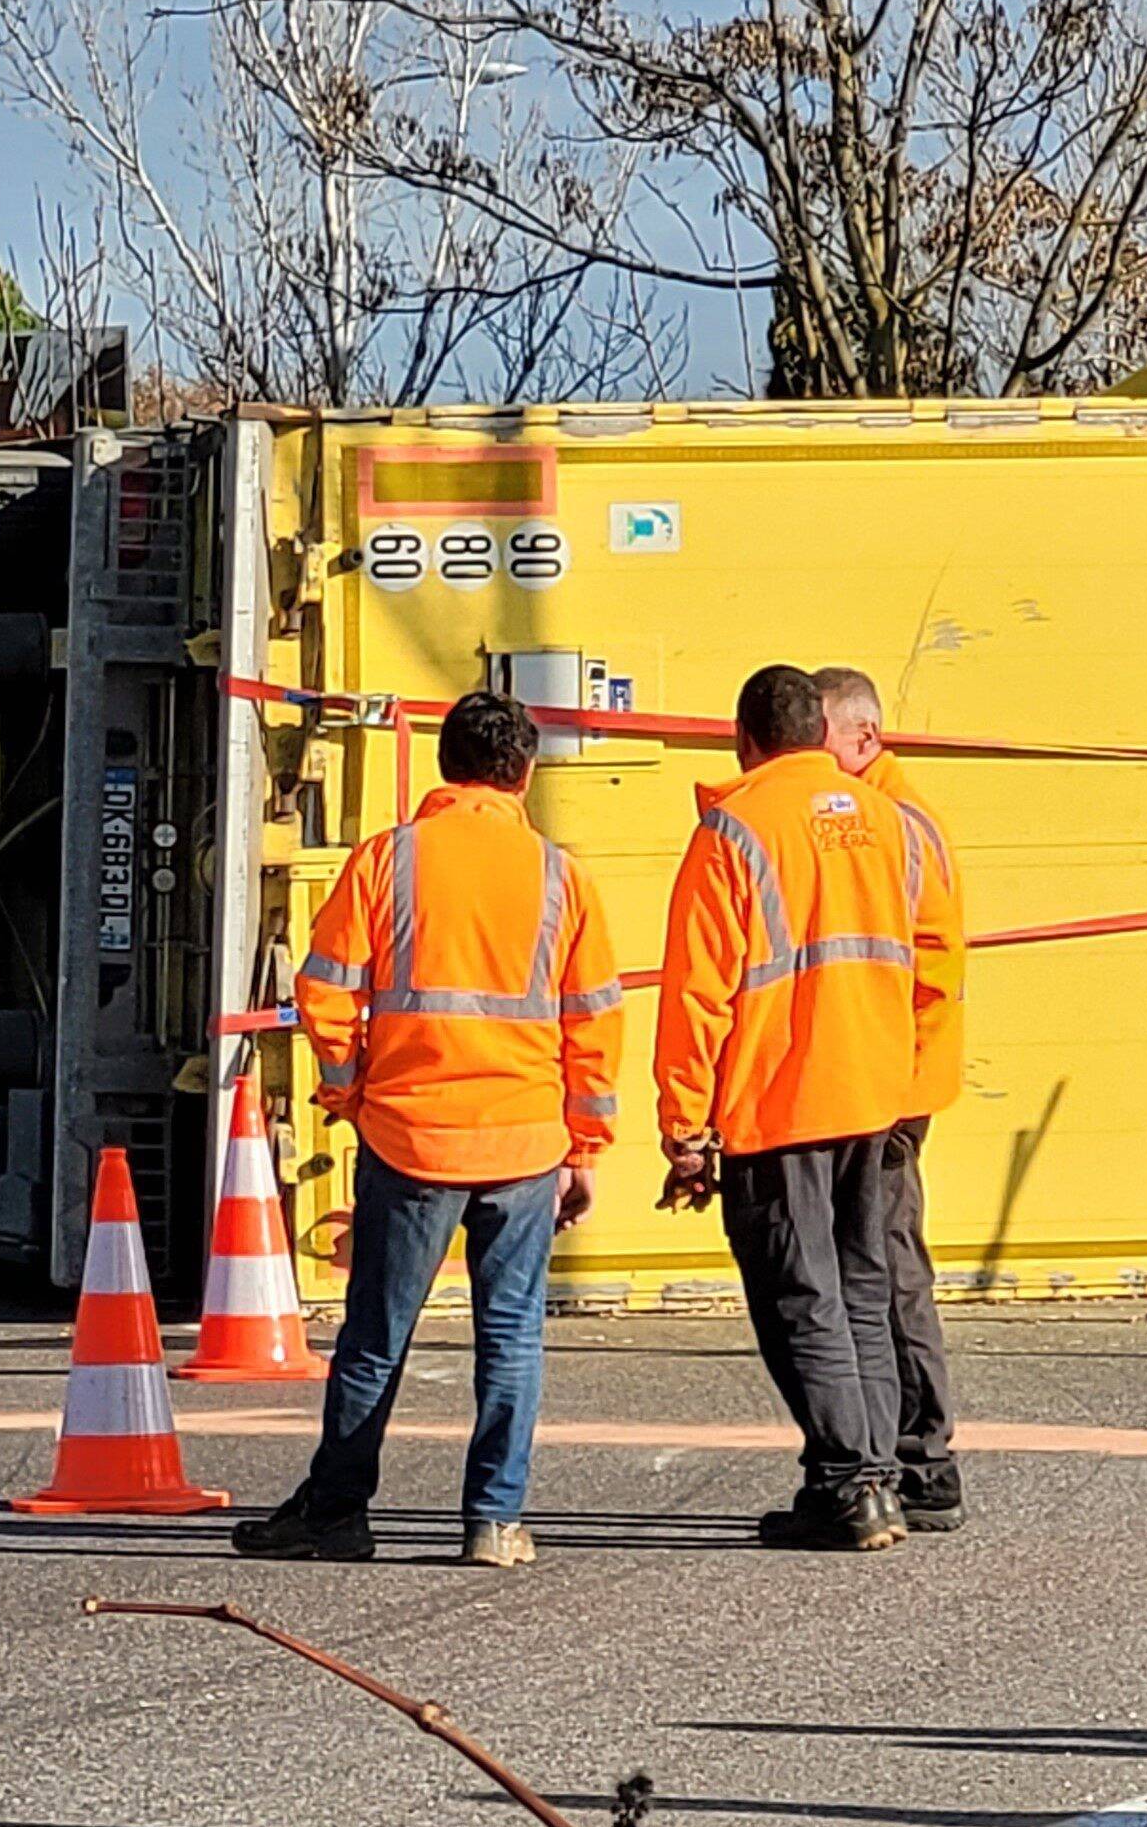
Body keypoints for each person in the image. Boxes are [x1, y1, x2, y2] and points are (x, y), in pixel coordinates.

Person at [239, 692, 626, 1569]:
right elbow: (595, 1022)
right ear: (524, 773)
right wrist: (585, 1146)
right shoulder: (562, 876)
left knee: (377, 1334)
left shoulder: (389, 860)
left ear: (446, 767)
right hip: (526, 1142)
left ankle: (336, 1511)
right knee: (513, 1335)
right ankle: (495, 1519)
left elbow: (327, 987)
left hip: (412, 1134)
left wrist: (348, 1088)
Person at [651, 664, 950, 1552]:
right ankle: (879, 1477)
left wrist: (685, 1125)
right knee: (862, 1287)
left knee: (800, 1296)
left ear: (743, 739)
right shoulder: (889, 822)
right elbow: (928, 956)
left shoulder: (733, 830)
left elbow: (698, 993)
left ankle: (845, 1483)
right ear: (822, 733)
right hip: (873, 1093)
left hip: (779, 1096)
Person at [819, 664, 968, 1530]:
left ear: (865, 737)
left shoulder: (895, 825)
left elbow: (928, 967)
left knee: (889, 1259)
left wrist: (885, 1073)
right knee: (878, 1257)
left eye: (824, 739)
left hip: (894, 1083)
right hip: (885, 1074)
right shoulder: (872, 818)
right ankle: (906, 1449)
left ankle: (922, 1455)